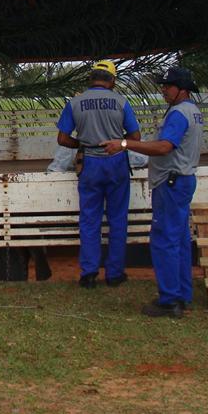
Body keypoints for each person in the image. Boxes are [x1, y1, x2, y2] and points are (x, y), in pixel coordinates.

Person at [102, 66, 203, 318]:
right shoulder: (193, 111)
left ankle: (169, 300)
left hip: (171, 183)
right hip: (182, 180)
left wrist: (125, 144)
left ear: (182, 89)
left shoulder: (179, 114)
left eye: (167, 86)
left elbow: (164, 147)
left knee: (164, 241)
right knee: (179, 240)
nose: (163, 90)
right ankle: (182, 294)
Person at [56, 60, 141, 289]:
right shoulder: (121, 102)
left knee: (89, 219)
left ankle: (89, 274)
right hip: (116, 163)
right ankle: (114, 274)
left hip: (90, 164)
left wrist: (83, 144)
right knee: (117, 219)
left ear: (91, 79)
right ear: (112, 81)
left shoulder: (75, 103)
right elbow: (135, 138)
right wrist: (118, 143)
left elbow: (62, 139)